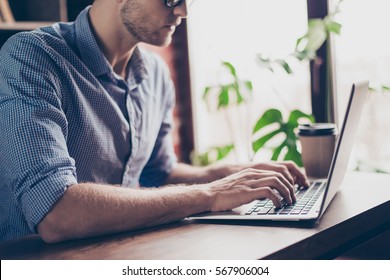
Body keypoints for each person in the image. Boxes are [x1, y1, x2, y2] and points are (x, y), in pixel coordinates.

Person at [0, 0, 309, 243]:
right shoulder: (32, 58)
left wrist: (230, 174)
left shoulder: (155, 74)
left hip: (123, 252)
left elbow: (157, 174)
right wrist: (210, 194)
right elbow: (56, 213)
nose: (183, 12)